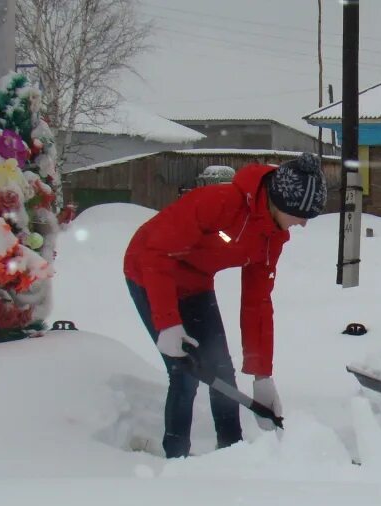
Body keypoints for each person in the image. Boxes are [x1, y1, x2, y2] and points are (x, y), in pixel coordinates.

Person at [124, 153, 327, 458]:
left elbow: (257, 302)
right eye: (301, 215)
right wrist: (168, 322)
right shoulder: (219, 202)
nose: (303, 224)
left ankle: (231, 453)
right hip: (148, 270)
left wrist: (262, 376)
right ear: (279, 202)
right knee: (184, 372)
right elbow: (157, 255)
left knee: (221, 369)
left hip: (196, 281)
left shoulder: (274, 236)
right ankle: (176, 456)